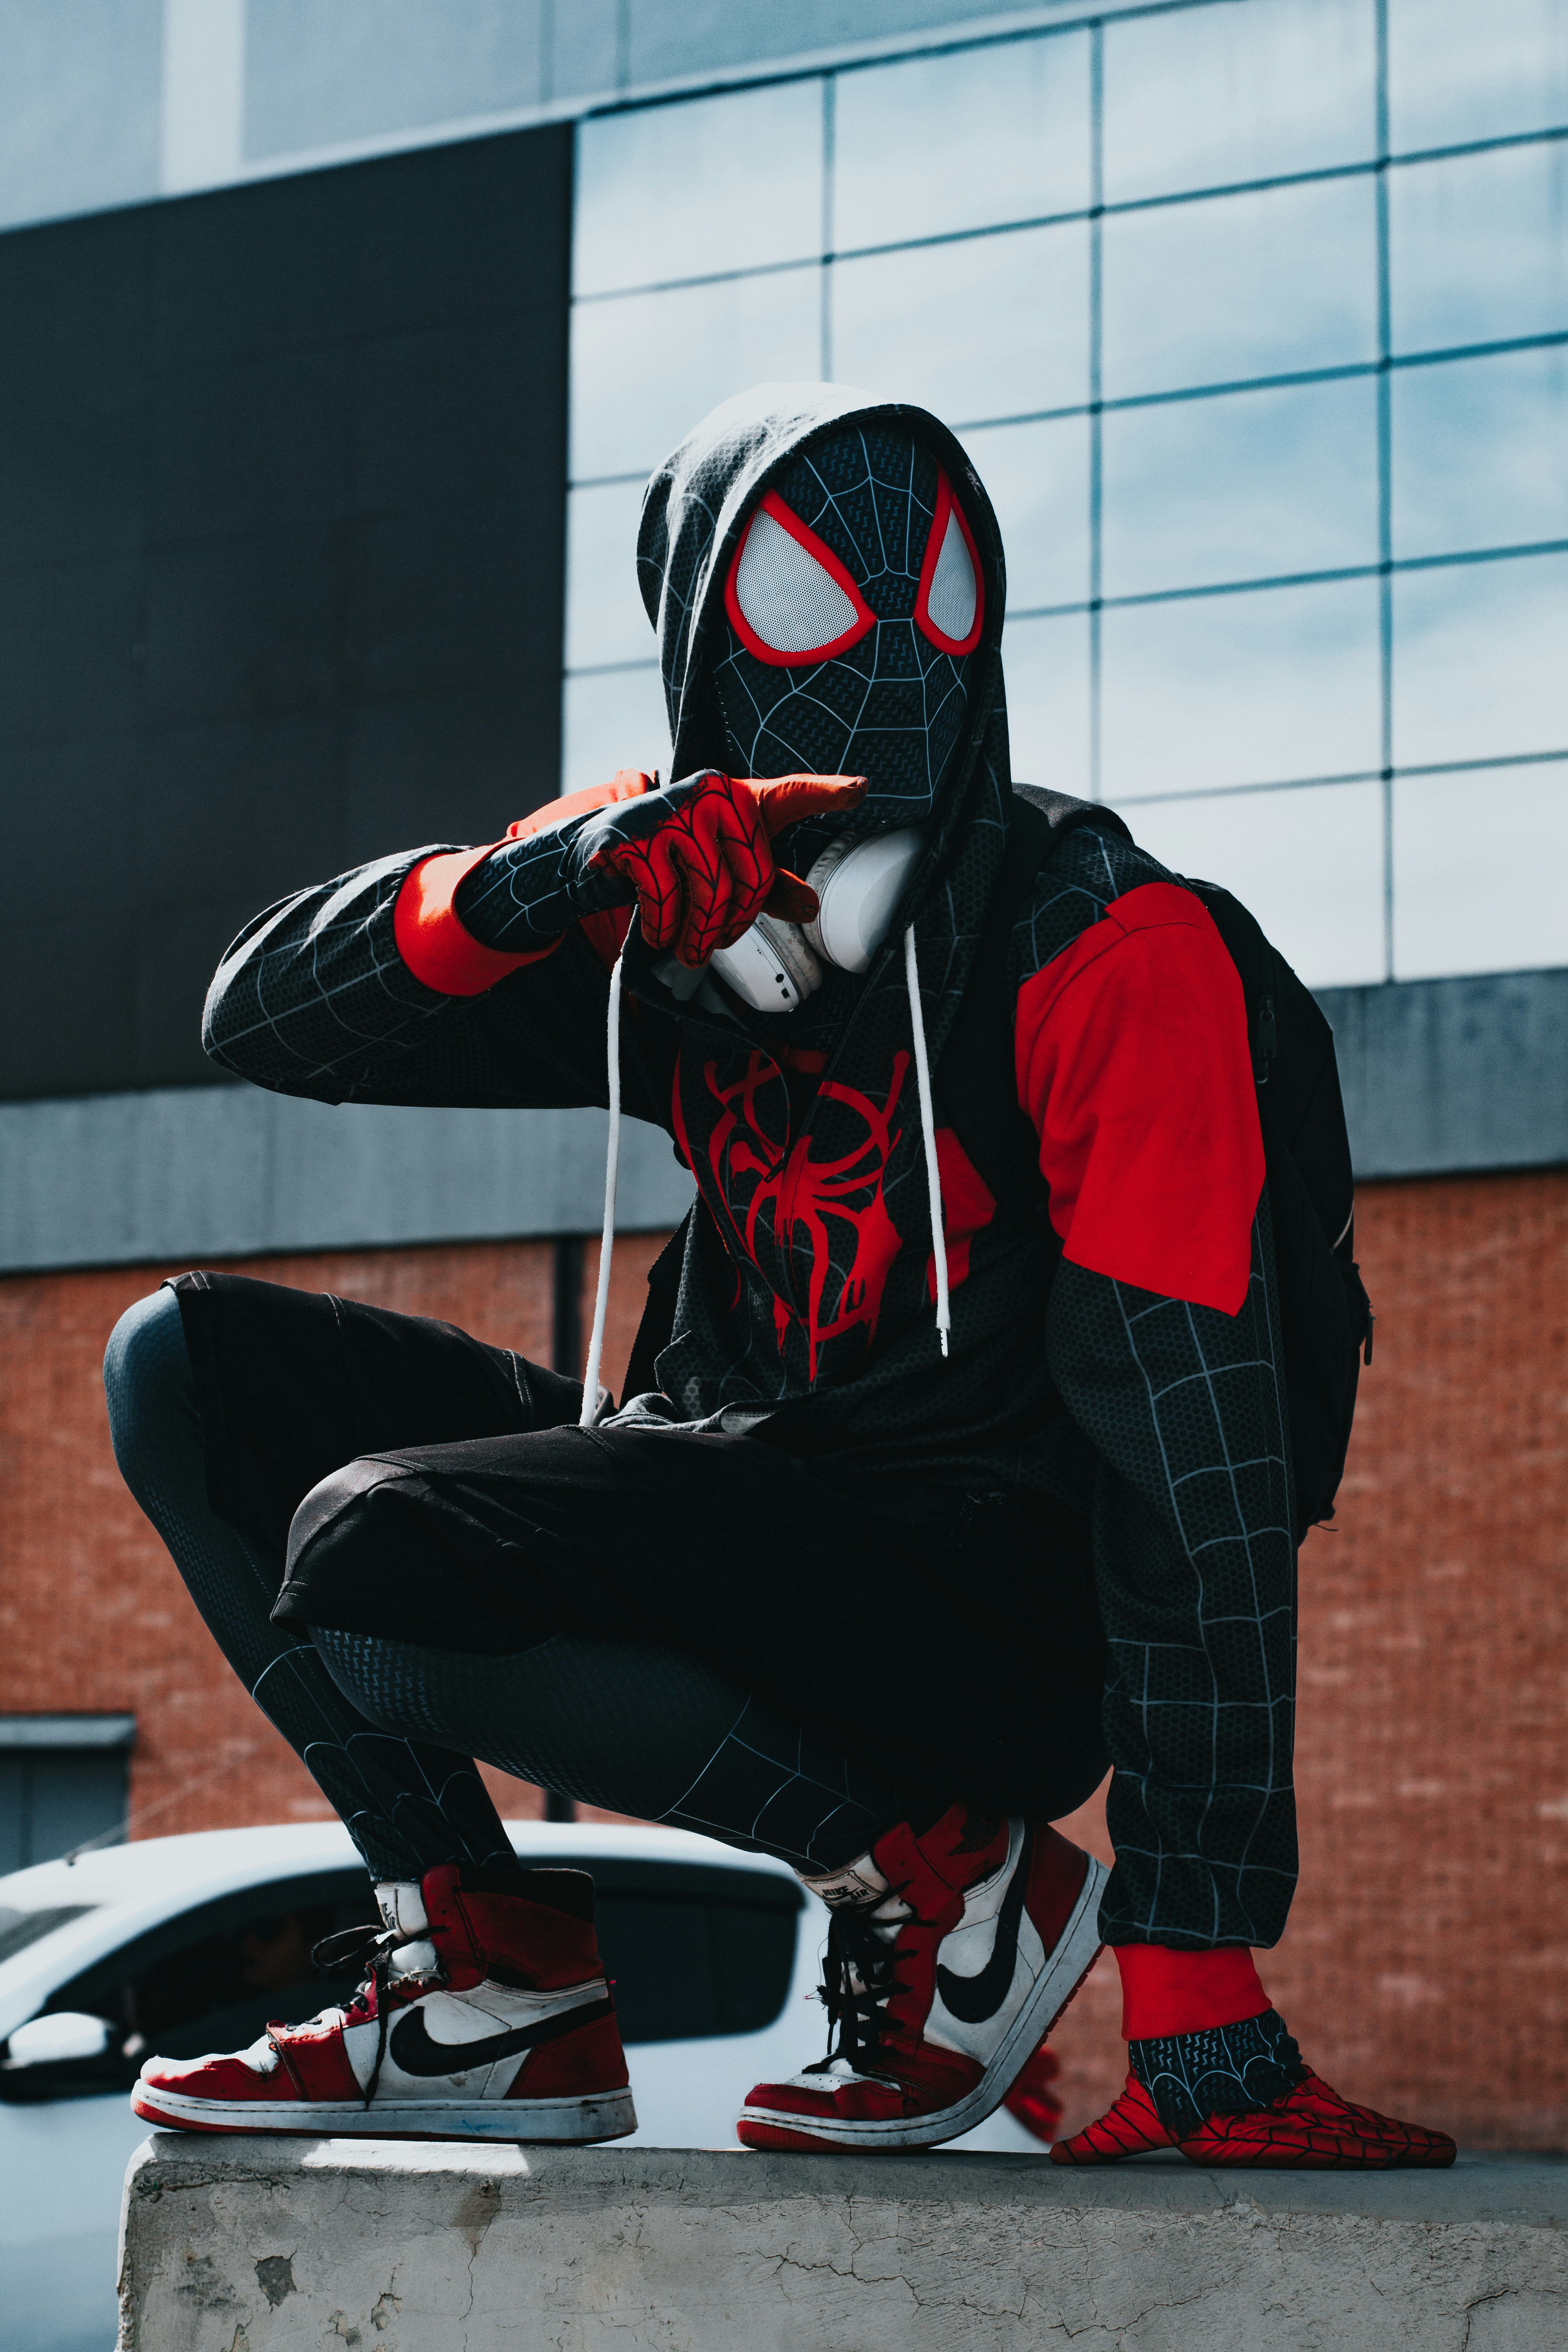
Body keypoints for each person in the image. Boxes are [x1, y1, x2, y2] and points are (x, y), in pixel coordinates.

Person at [105, 384, 1453, 2166]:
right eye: (811, 604)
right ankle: (492, 1980)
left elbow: (1198, 1475)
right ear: (701, 636)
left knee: (371, 1564)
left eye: (941, 595)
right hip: (746, 1494)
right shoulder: (662, 897)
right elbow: (261, 1018)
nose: (893, 654)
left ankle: (948, 1877)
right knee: (182, 1368)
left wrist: (1195, 1985)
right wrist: (534, 888)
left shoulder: (1111, 950)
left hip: (985, 1611)